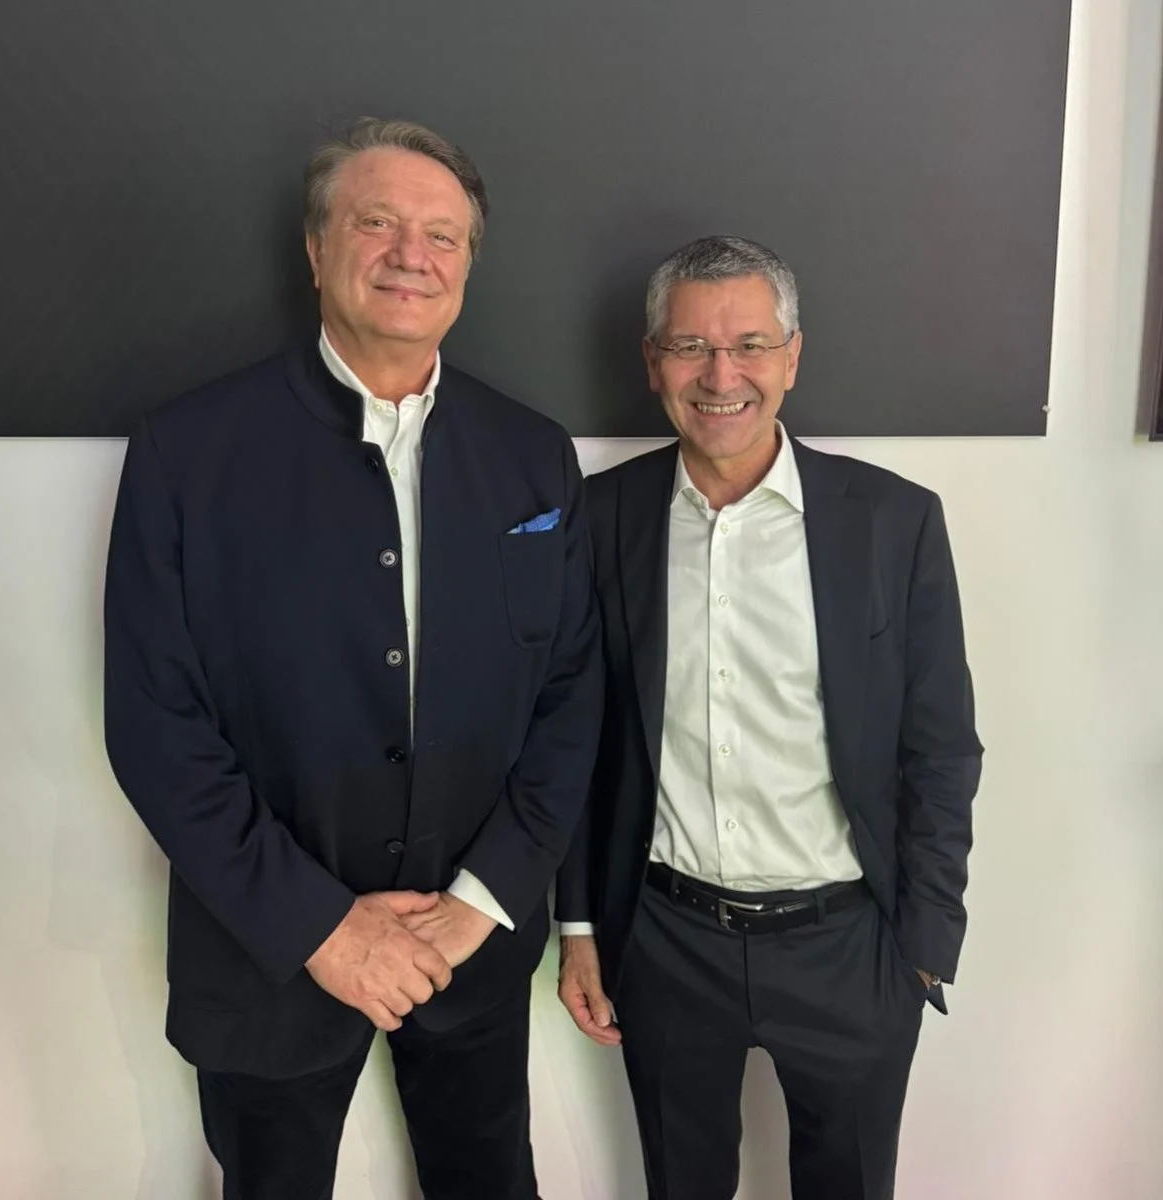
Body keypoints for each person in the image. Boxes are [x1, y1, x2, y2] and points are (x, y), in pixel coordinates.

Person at [104, 116, 602, 1200]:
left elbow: (569, 700)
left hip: (472, 954)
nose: (410, 254)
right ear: (316, 248)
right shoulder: (187, 452)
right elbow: (155, 728)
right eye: (376, 223)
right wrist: (320, 928)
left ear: (467, 264)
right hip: (268, 959)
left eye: (441, 234)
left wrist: (482, 900)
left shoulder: (533, 455)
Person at [556, 235, 981, 1199]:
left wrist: (924, 947)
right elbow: (576, 739)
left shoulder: (895, 522)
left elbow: (940, 747)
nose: (721, 376)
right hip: (664, 941)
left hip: (852, 947)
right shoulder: (601, 518)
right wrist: (579, 926)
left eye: (749, 345)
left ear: (792, 356)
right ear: (652, 361)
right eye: (691, 347)